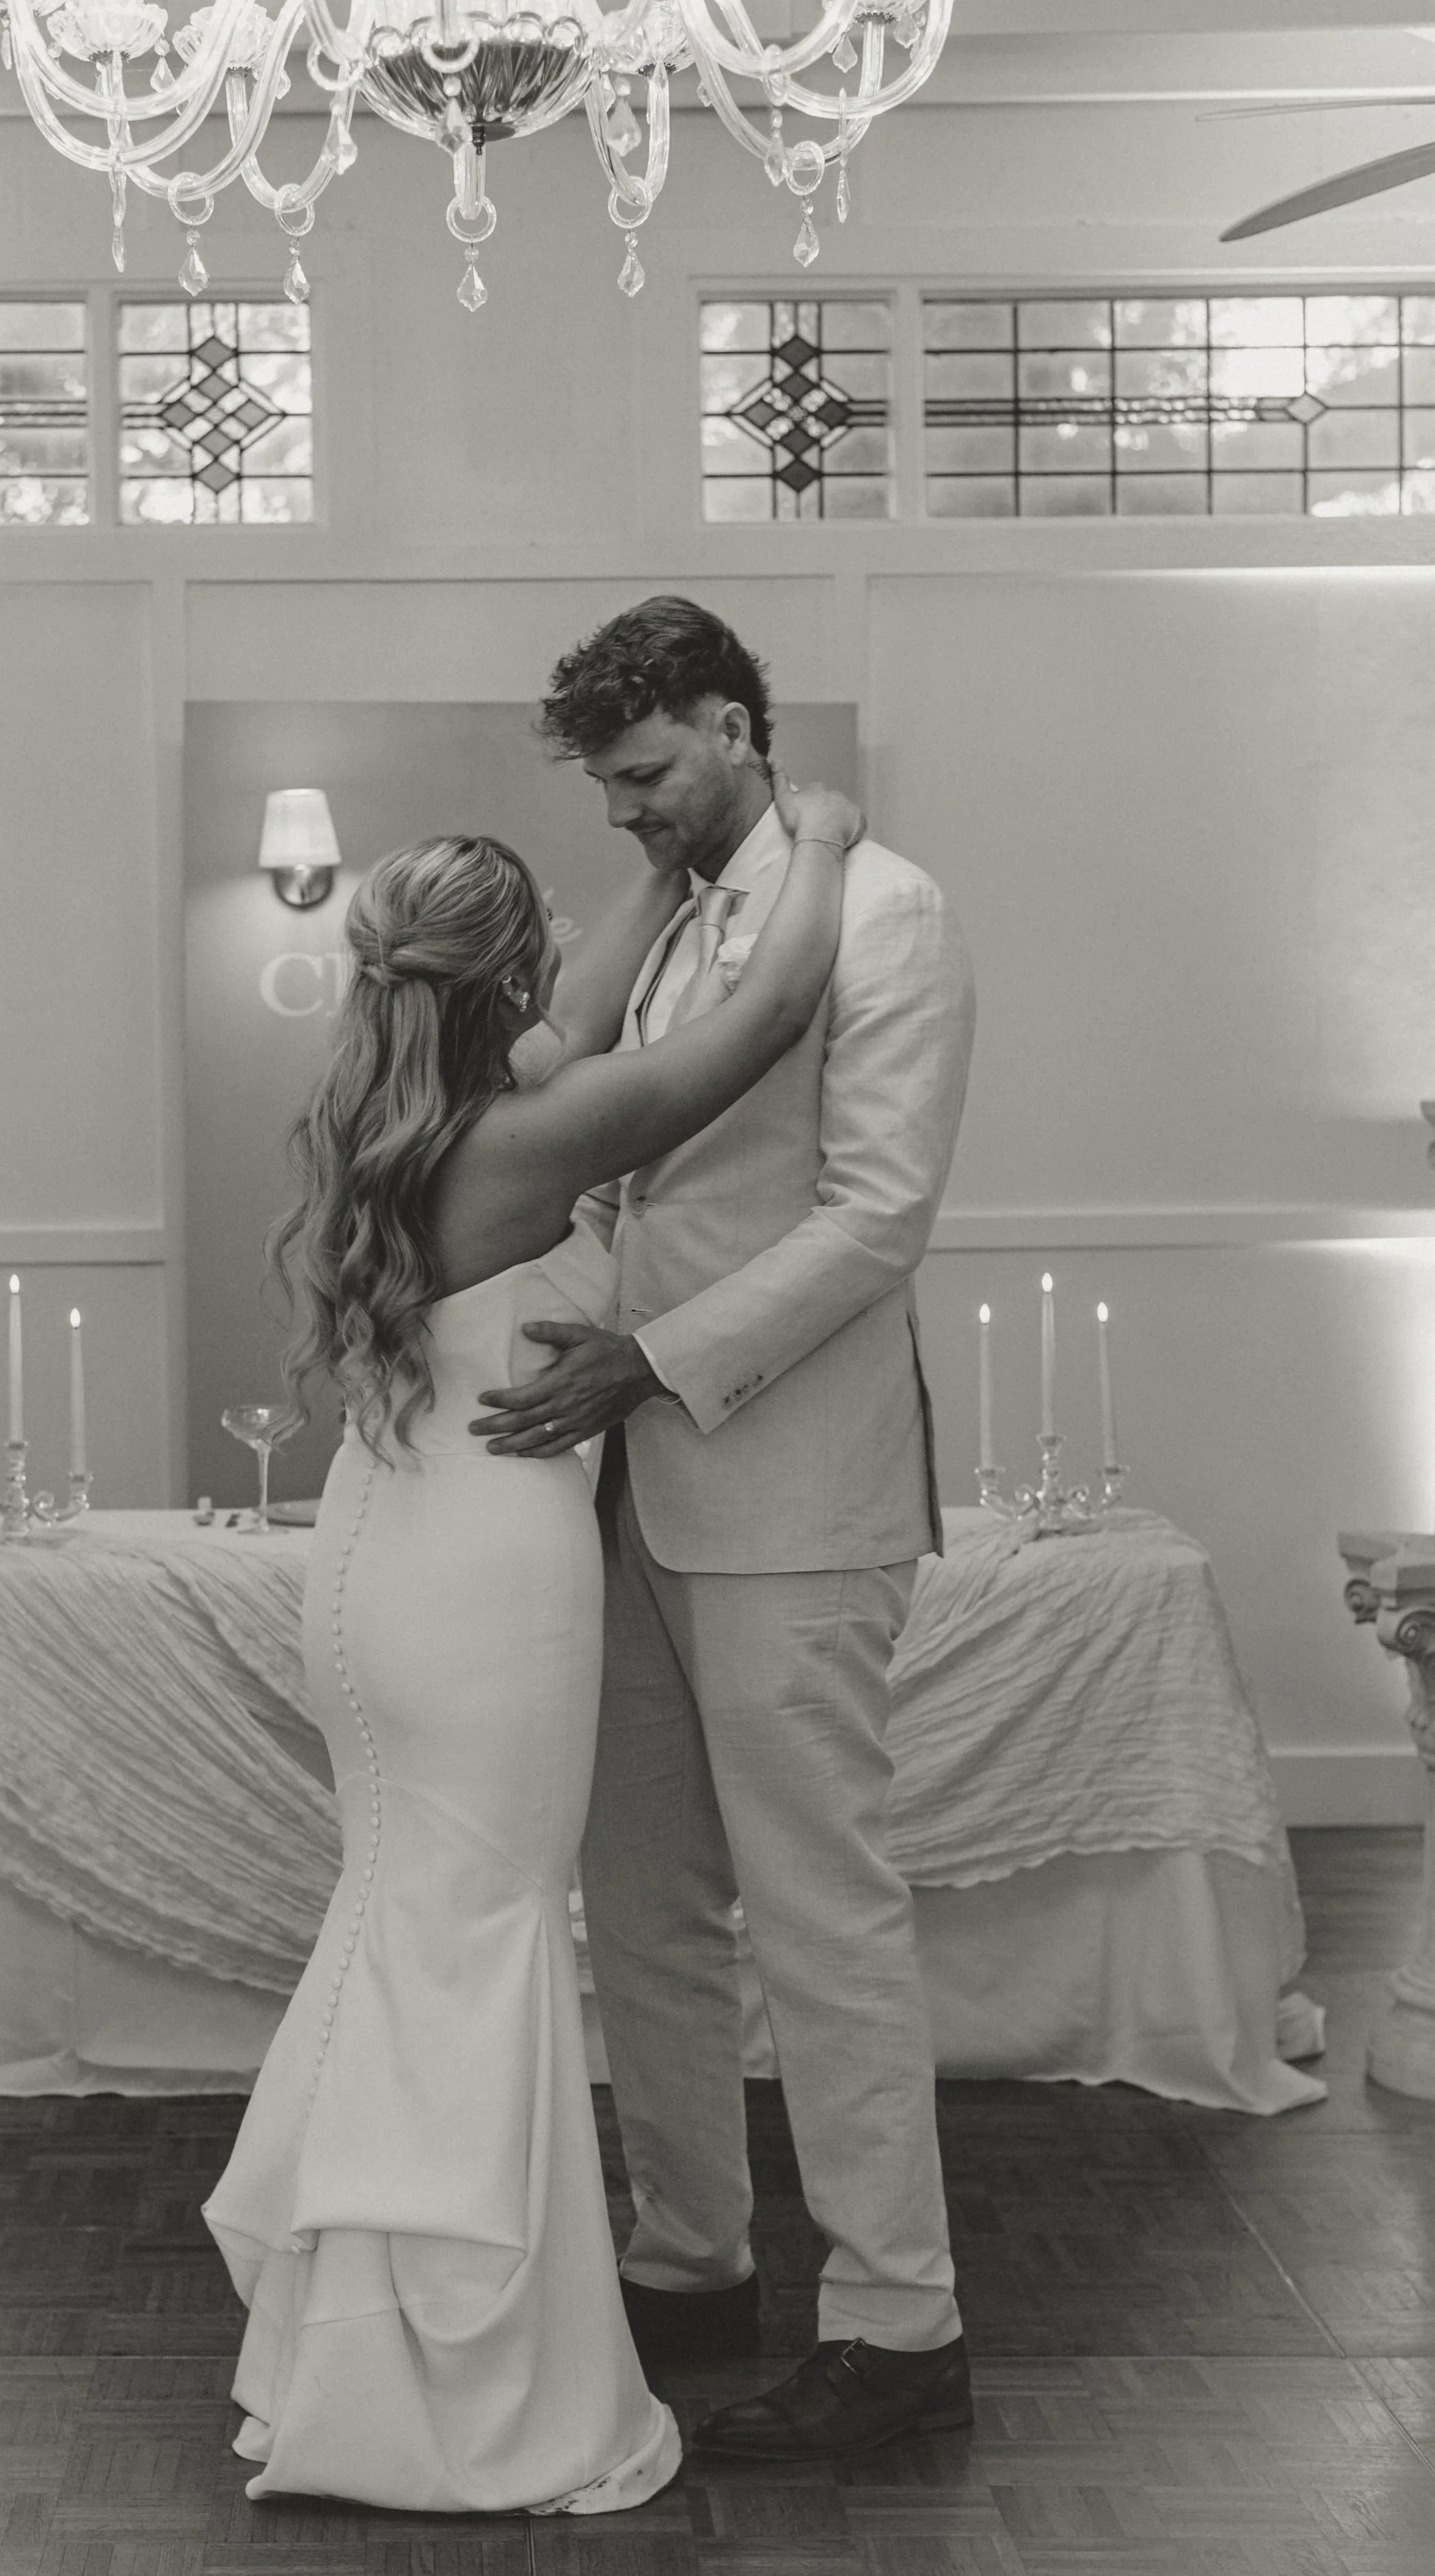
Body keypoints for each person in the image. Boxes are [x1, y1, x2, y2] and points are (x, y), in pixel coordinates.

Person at [202, 772, 860, 2513]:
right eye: (548, 940)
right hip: (486, 1586)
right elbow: (773, 1009)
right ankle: (467, 2390)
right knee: (477, 1938)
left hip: (375, 1565)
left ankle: (353, 2351)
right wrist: (834, 843)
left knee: (405, 1923)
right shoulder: (528, 1141)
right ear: (503, 977)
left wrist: (651, 871)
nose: (577, 950)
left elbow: (570, 1016)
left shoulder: (406, 1118)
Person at [471, 595, 977, 2461]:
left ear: (730, 722)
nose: (632, 815)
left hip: (787, 1490)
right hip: (617, 1493)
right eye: (610, 792)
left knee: (825, 1913)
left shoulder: (890, 909)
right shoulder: (676, 924)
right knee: (648, 1907)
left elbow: (874, 1218)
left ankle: (899, 2318)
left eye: (652, 775)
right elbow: (612, 1158)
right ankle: (690, 2258)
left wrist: (648, 1362)